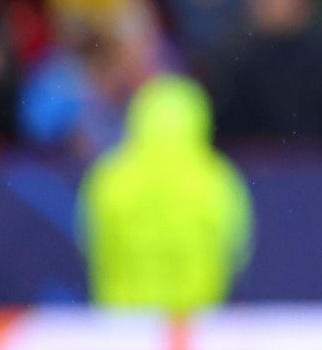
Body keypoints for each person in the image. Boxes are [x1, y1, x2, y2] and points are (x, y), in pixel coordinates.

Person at [78, 73, 251, 314]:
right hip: (195, 322)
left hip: (121, 325)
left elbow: (91, 242)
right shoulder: (217, 179)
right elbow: (236, 250)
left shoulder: (109, 177)